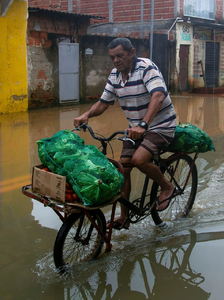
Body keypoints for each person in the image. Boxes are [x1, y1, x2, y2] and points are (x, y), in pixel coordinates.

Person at [74, 37, 177, 229]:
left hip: (161, 126)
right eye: (112, 57)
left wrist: (144, 125)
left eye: (119, 56)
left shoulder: (146, 68)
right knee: (122, 171)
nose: (115, 61)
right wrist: (86, 115)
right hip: (135, 130)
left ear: (132, 52)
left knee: (139, 160)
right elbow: (104, 103)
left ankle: (166, 186)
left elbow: (158, 95)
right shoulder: (115, 75)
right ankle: (124, 216)